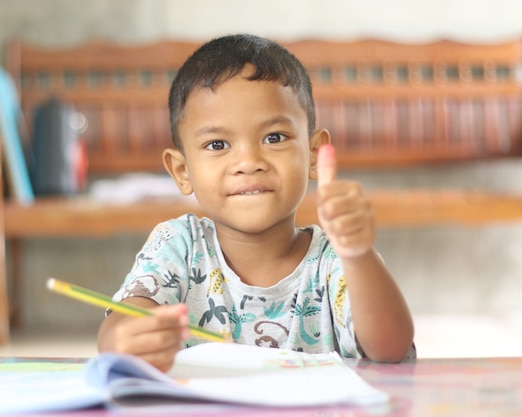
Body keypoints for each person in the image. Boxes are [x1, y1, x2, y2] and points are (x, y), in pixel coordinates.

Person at [97, 33, 415, 372]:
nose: (249, 161)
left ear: (314, 154)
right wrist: (122, 340)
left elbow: (390, 349)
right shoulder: (178, 245)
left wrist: (358, 254)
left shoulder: (337, 258)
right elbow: (121, 326)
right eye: (218, 145)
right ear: (182, 170)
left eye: (274, 138)